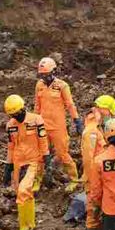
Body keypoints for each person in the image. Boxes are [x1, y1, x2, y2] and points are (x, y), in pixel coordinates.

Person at [3, 94, 49, 230]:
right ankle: (30, 223)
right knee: (21, 192)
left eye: (17, 113)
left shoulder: (36, 120)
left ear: (23, 108)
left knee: (23, 191)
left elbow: (42, 139)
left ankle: (23, 227)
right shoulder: (10, 125)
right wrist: (8, 166)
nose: (16, 116)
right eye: (12, 114)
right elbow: (11, 146)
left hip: (32, 161)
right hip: (18, 162)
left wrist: (46, 155)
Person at [34, 57, 82, 192]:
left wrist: (76, 120)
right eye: (42, 75)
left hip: (58, 127)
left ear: (53, 72)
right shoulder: (39, 85)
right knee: (40, 155)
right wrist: (34, 121)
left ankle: (74, 179)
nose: (44, 77)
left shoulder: (62, 86)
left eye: (46, 74)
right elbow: (37, 105)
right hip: (43, 126)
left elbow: (70, 105)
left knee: (62, 153)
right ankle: (37, 180)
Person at [81, 94, 115, 230]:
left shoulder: (96, 128)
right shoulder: (92, 132)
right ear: (104, 110)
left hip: (99, 176)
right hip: (93, 178)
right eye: (109, 113)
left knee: (100, 210)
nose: (109, 117)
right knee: (93, 210)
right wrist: (93, 181)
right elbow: (89, 159)